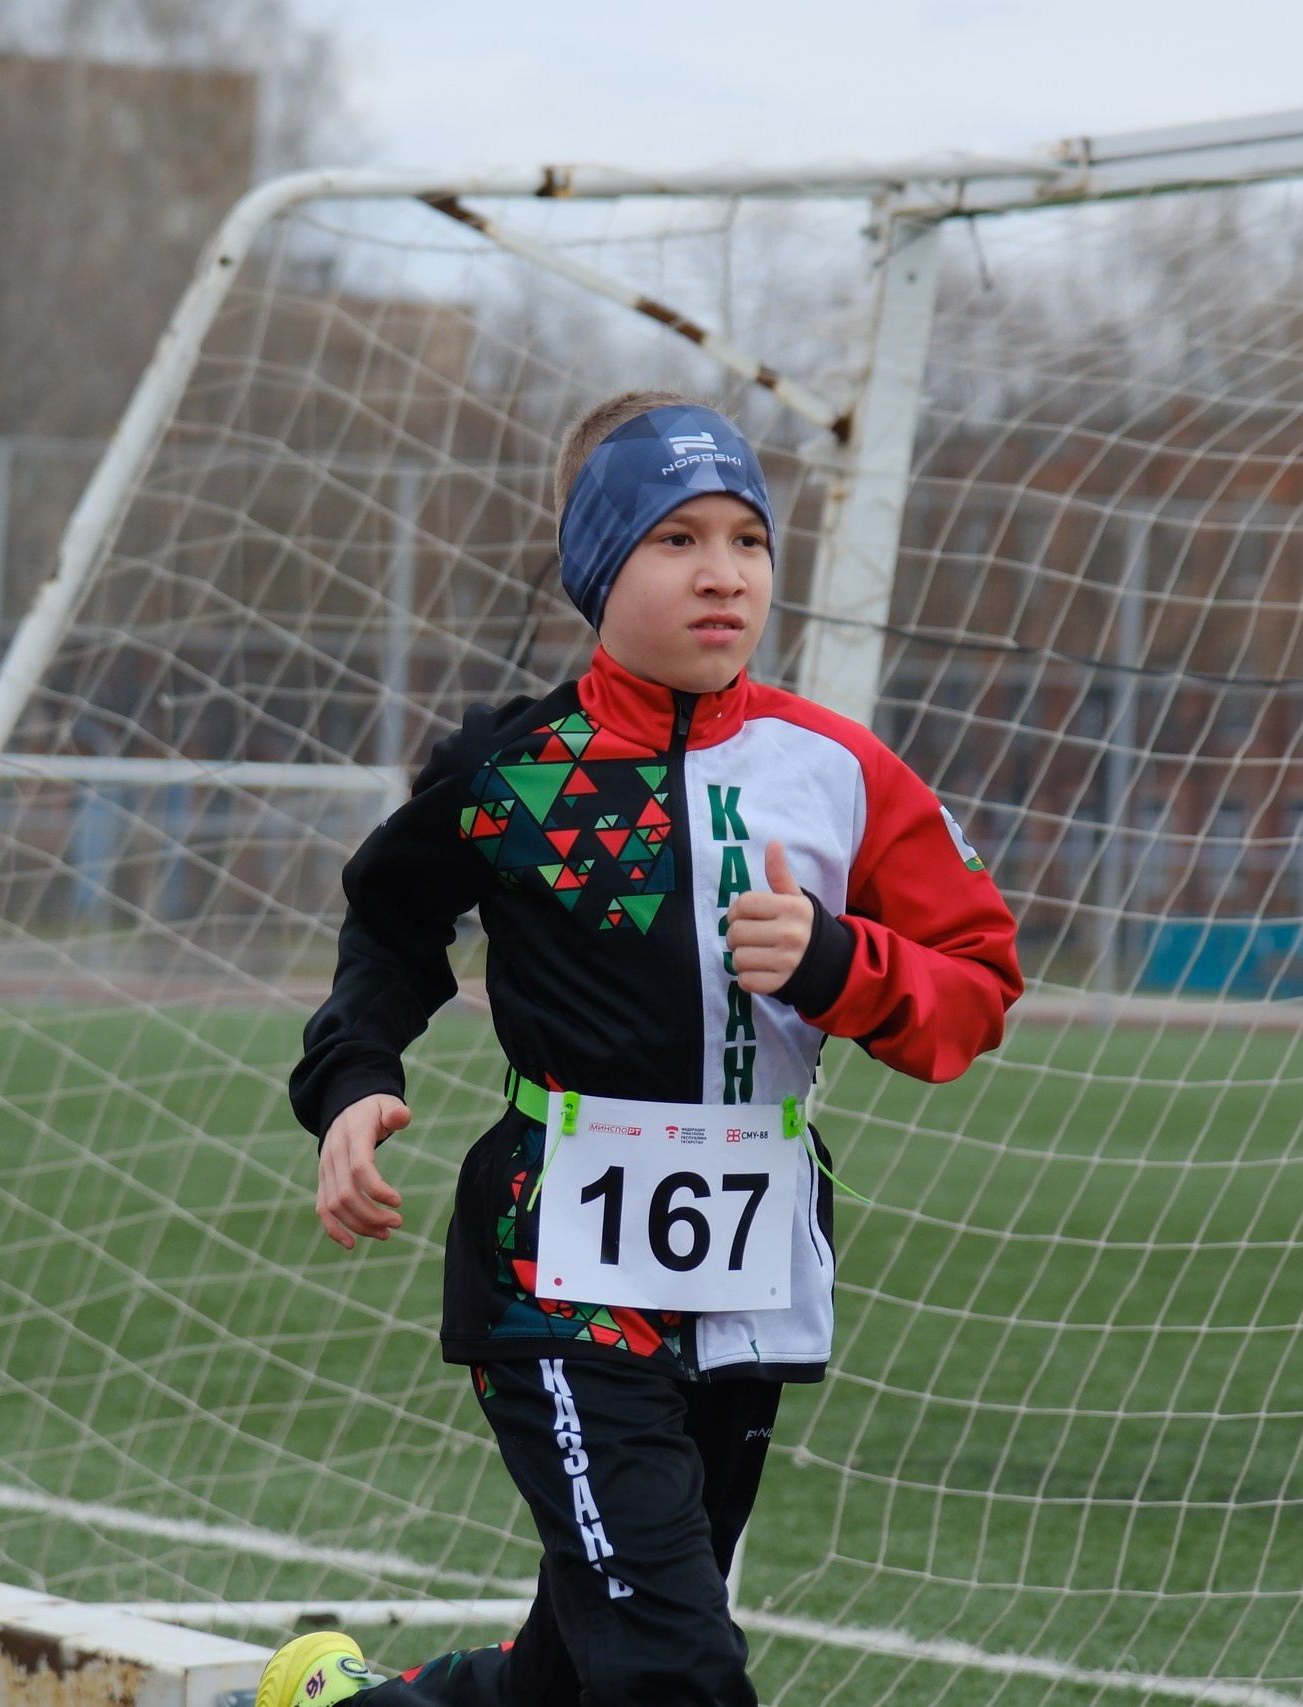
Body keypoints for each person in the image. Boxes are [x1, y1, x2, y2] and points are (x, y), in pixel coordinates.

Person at [266, 391, 1023, 1707]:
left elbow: (979, 988)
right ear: (598, 566)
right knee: (674, 1659)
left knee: (579, 1668)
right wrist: (356, 1081)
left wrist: (840, 961)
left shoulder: (840, 769)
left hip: (754, 1263)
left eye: (748, 538)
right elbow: (390, 925)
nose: (725, 572)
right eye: (677, 539)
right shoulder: (518, 767)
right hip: (553, 1264)